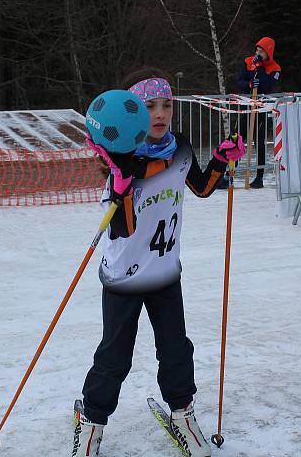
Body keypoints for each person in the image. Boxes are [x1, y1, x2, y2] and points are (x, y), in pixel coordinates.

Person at [72, 71, 246, 457]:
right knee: (115, 357)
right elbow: (123, 228)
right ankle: (91, 419)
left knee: (176, 350)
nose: (161, 112)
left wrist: (219, 160)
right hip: (124, 278)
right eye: (150, 106)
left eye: (167, 104)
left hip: (166, 272)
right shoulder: (124, 163)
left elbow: (200, 186)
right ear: (132, 113)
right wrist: (120, 188)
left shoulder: (179, 148)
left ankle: (183, 414)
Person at [233, 36, 281, 189]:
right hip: (247, 106)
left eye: (261, 51)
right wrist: (248, 84)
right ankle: (230, 174)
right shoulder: (248, 62)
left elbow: (267, 87)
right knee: (238, 139)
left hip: (261, 108)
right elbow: (239, 81)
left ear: (268, 53)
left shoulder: (275, 68)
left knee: (259, 141)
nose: (257, 53)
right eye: (257, 50)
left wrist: (259, 69)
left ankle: (259, 177)